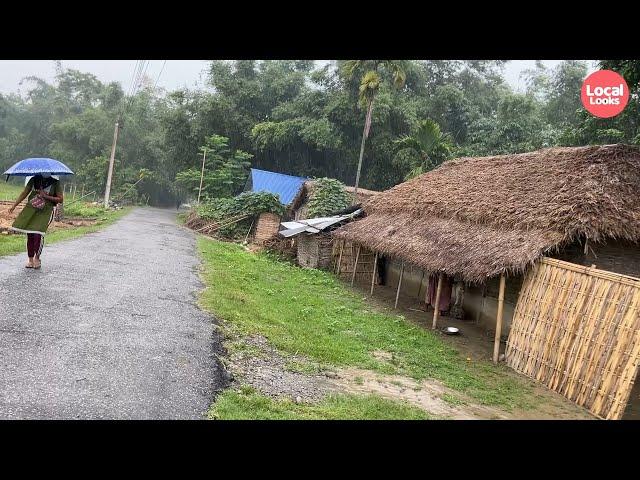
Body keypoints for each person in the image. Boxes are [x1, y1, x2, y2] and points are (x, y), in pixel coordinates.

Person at [8, 173, 63, 269]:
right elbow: (24, 193)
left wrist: (46, 196)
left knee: (38, 234)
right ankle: (30, 259)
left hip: (45, 211)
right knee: (30, 233)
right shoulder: (34, 179)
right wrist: (14, 205)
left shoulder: (55, 182)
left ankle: (37, 258)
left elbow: (60, 199)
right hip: (31, 209)